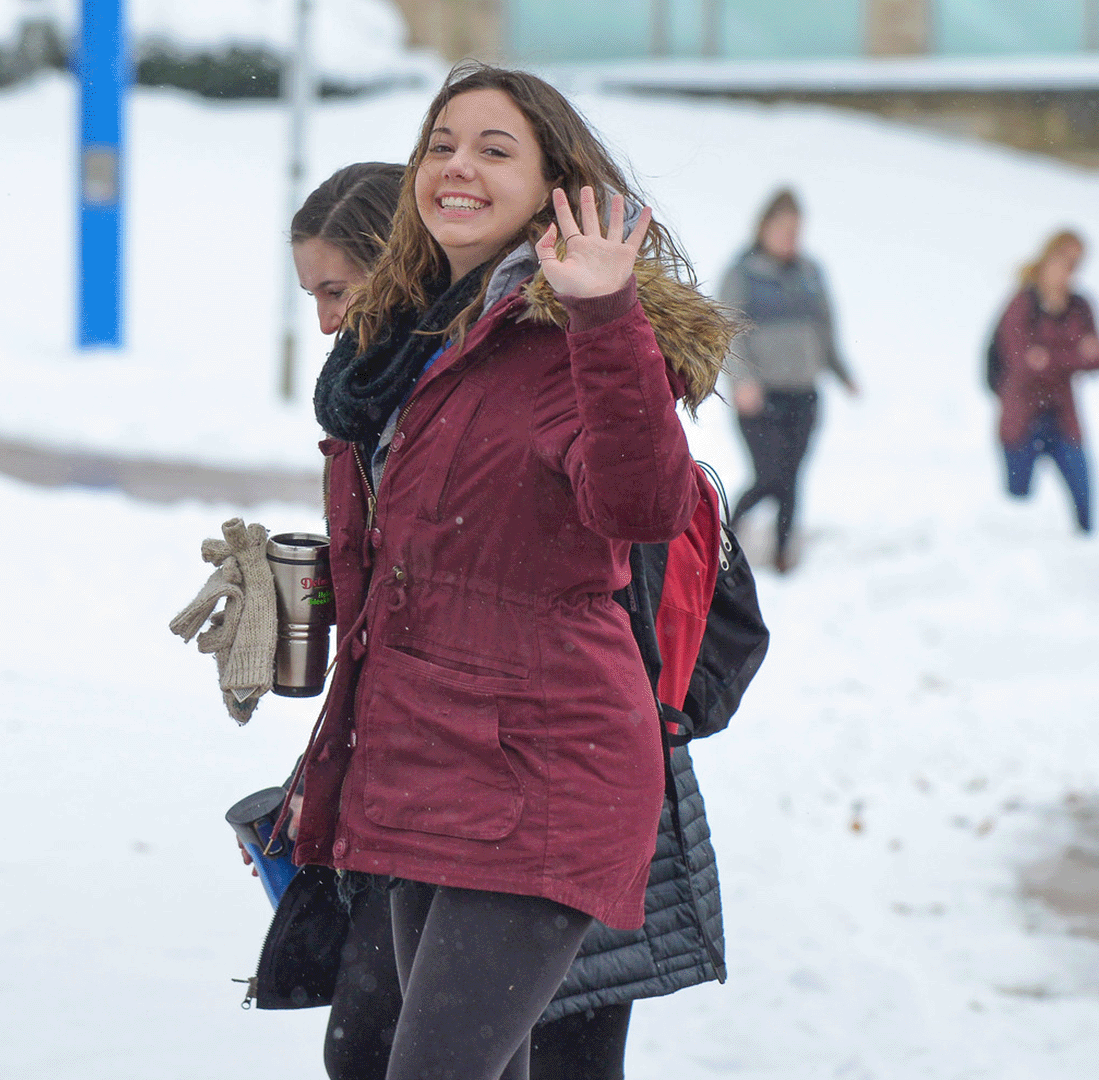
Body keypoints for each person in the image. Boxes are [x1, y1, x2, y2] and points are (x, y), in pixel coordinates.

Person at [291, 63, 733, 1080]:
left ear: (553, 185)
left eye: (496, 150)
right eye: (442, 143)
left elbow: (640, 505)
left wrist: (605, 313)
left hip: (540, 765)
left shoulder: (569, 336)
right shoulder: (409, 341)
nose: (459, 166)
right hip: (416, 753)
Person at [719, 188, 856, 573]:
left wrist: (842, 373)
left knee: (793, 477)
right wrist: (742, 381)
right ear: (764, 227)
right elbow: (728, 333)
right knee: (769, 476)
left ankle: (783, 554)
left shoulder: (811, 273)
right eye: (784, 229)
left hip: (805, 394)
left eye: (797, 230)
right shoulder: (743, 274)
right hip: (761, 396)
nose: (791, 238)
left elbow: (826, 329)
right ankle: (721, 531)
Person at [990, 229, 1099, 533]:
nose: (1068, 270)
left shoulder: (1080, 307)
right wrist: (1072, 355)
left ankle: (1084, 561)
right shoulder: (1023, 304)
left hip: (1062, 415)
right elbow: (1022, 362)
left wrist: (1048, 357)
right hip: (1023, 416)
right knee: (1017, 505)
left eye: (1076, 263)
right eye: (1064, 260)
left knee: (1083, 500)